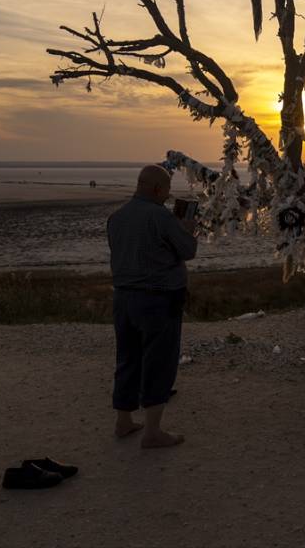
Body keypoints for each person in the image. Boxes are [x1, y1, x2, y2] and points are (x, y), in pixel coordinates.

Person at [107, 164, 197, 448]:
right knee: (160, 360)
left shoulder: (117, 218)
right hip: (158, 299)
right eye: (167, 190)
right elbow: (188, 250)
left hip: (123, 298)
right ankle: (153, 431)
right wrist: (187, 228)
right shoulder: (161, 216)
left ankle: (123, 421)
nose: (169, 197)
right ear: (158, 189)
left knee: (127, 358)